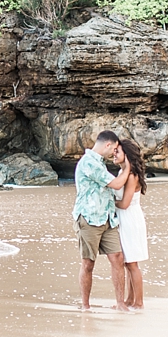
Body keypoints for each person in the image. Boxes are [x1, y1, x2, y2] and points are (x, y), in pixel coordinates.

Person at [72, 130, 130, 311]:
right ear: (108, 145)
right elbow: (116, 184)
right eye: (114, 149)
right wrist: (129, 167)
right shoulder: (89, 163)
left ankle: (120, 303)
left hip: (107, 219)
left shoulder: (98, 163)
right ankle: (85, 305)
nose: (114, 153)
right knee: (88, 263)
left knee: (118, 258)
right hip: (89, 219)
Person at [112, 138, 149, 309]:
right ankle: (129, 300)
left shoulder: (131, 175)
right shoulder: (124, 173)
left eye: (118, 151)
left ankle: (139, 302)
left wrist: (109, 203)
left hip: (130, 218)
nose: (114, 153)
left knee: (132, 263)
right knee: (128, 262)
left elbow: (125, 203)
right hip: (125, 218)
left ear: (126, 155)